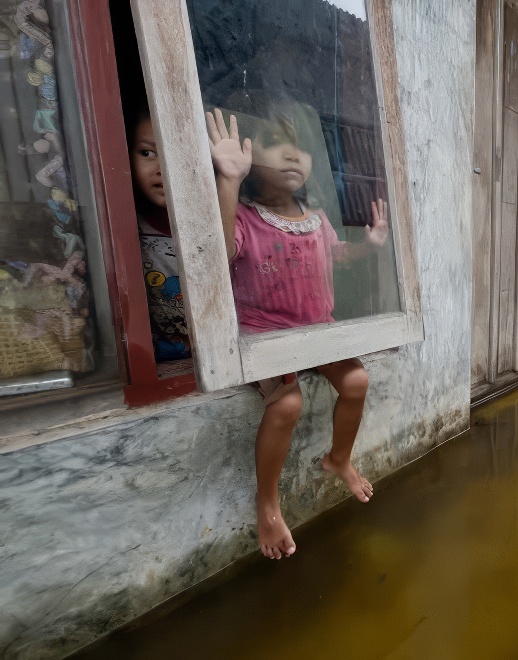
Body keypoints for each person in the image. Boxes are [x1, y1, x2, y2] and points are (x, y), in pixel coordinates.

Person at [206, 106, 389, 560]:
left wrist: (368, 247)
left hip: (316, 332)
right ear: (251, 158)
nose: (292, 154)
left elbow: (335, 257)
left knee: (357, 380)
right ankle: (267, 503)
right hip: (265, 334)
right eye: (276, 144)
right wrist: (226, 181)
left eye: (301, 147)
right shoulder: (247, 218)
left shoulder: (317, 218)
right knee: (287, 403)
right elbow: (218, 250)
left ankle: (338, 459)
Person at [127, 107, 192, 362]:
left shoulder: (226, 227)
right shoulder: (125, 231)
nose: (163, 167)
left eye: (179, 153)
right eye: (147, 153)